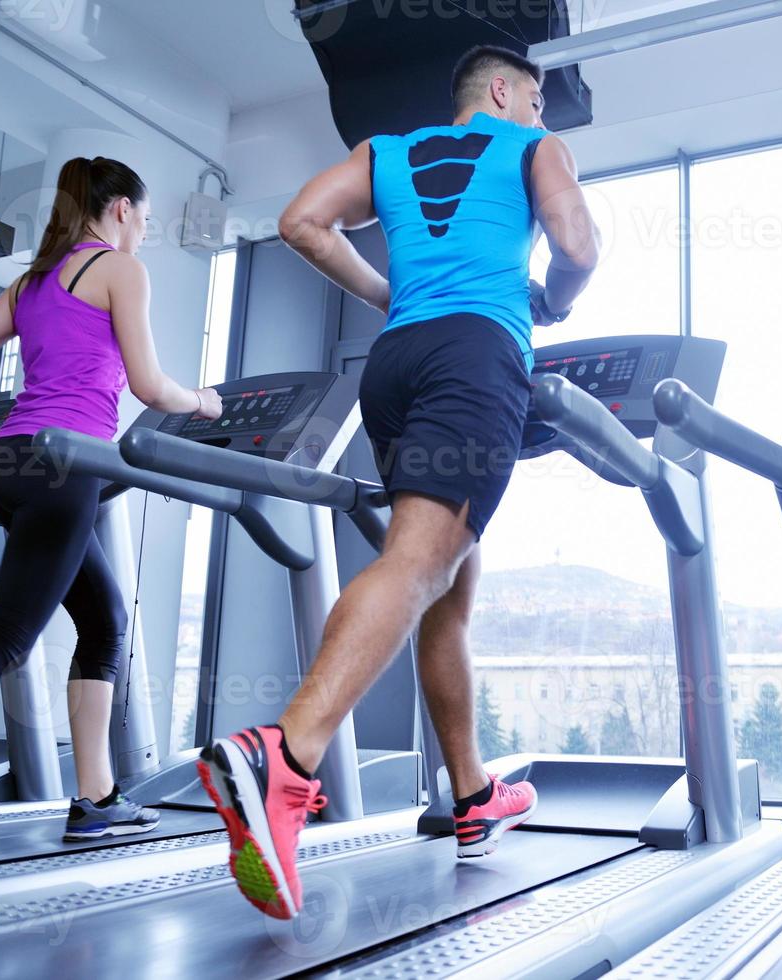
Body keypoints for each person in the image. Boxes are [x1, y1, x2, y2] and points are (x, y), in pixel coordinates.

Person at [198, 45, 600, 920]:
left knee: (445, 581)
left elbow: (303, 221)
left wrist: (392, 292)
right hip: (475, 352)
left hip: (398, 361)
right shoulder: (534, 150)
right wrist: (557, 301)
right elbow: (578, 244)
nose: (541, 113)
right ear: (504, 91)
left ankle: (471, 794)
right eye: (535, 99)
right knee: (420, 564)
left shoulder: (386, 150)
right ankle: (286, 758)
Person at [0, 156, 224, 840]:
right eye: (141, 218)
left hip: (12, 466)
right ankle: (96, 797)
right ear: (118, 211)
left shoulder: (33, 283)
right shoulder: (118, 268)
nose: (141, 230)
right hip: (64, 465)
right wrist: (201, 402)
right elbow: (148, 385)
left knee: (105, 619)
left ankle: (96, 798)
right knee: (3, 643)